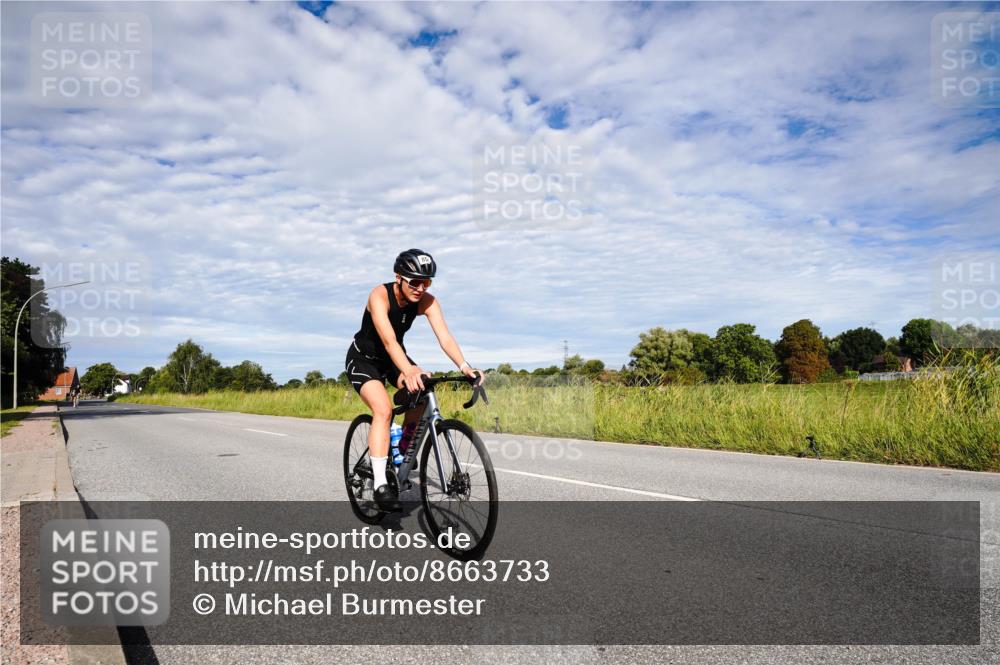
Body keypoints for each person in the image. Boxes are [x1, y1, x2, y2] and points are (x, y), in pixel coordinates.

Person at [345, 249, 483, 512]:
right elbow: (388, 341)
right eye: (415, 282)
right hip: (364, 359)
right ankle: (380, 485)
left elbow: (445, 337)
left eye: (427, 282)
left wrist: (465, 367)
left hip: (393, 359)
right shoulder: (379, 295)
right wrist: (409, 370)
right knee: (383, 410)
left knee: (421, 395)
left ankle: (403, 453)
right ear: (398, 277)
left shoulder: (427, 302)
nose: (421, 288)